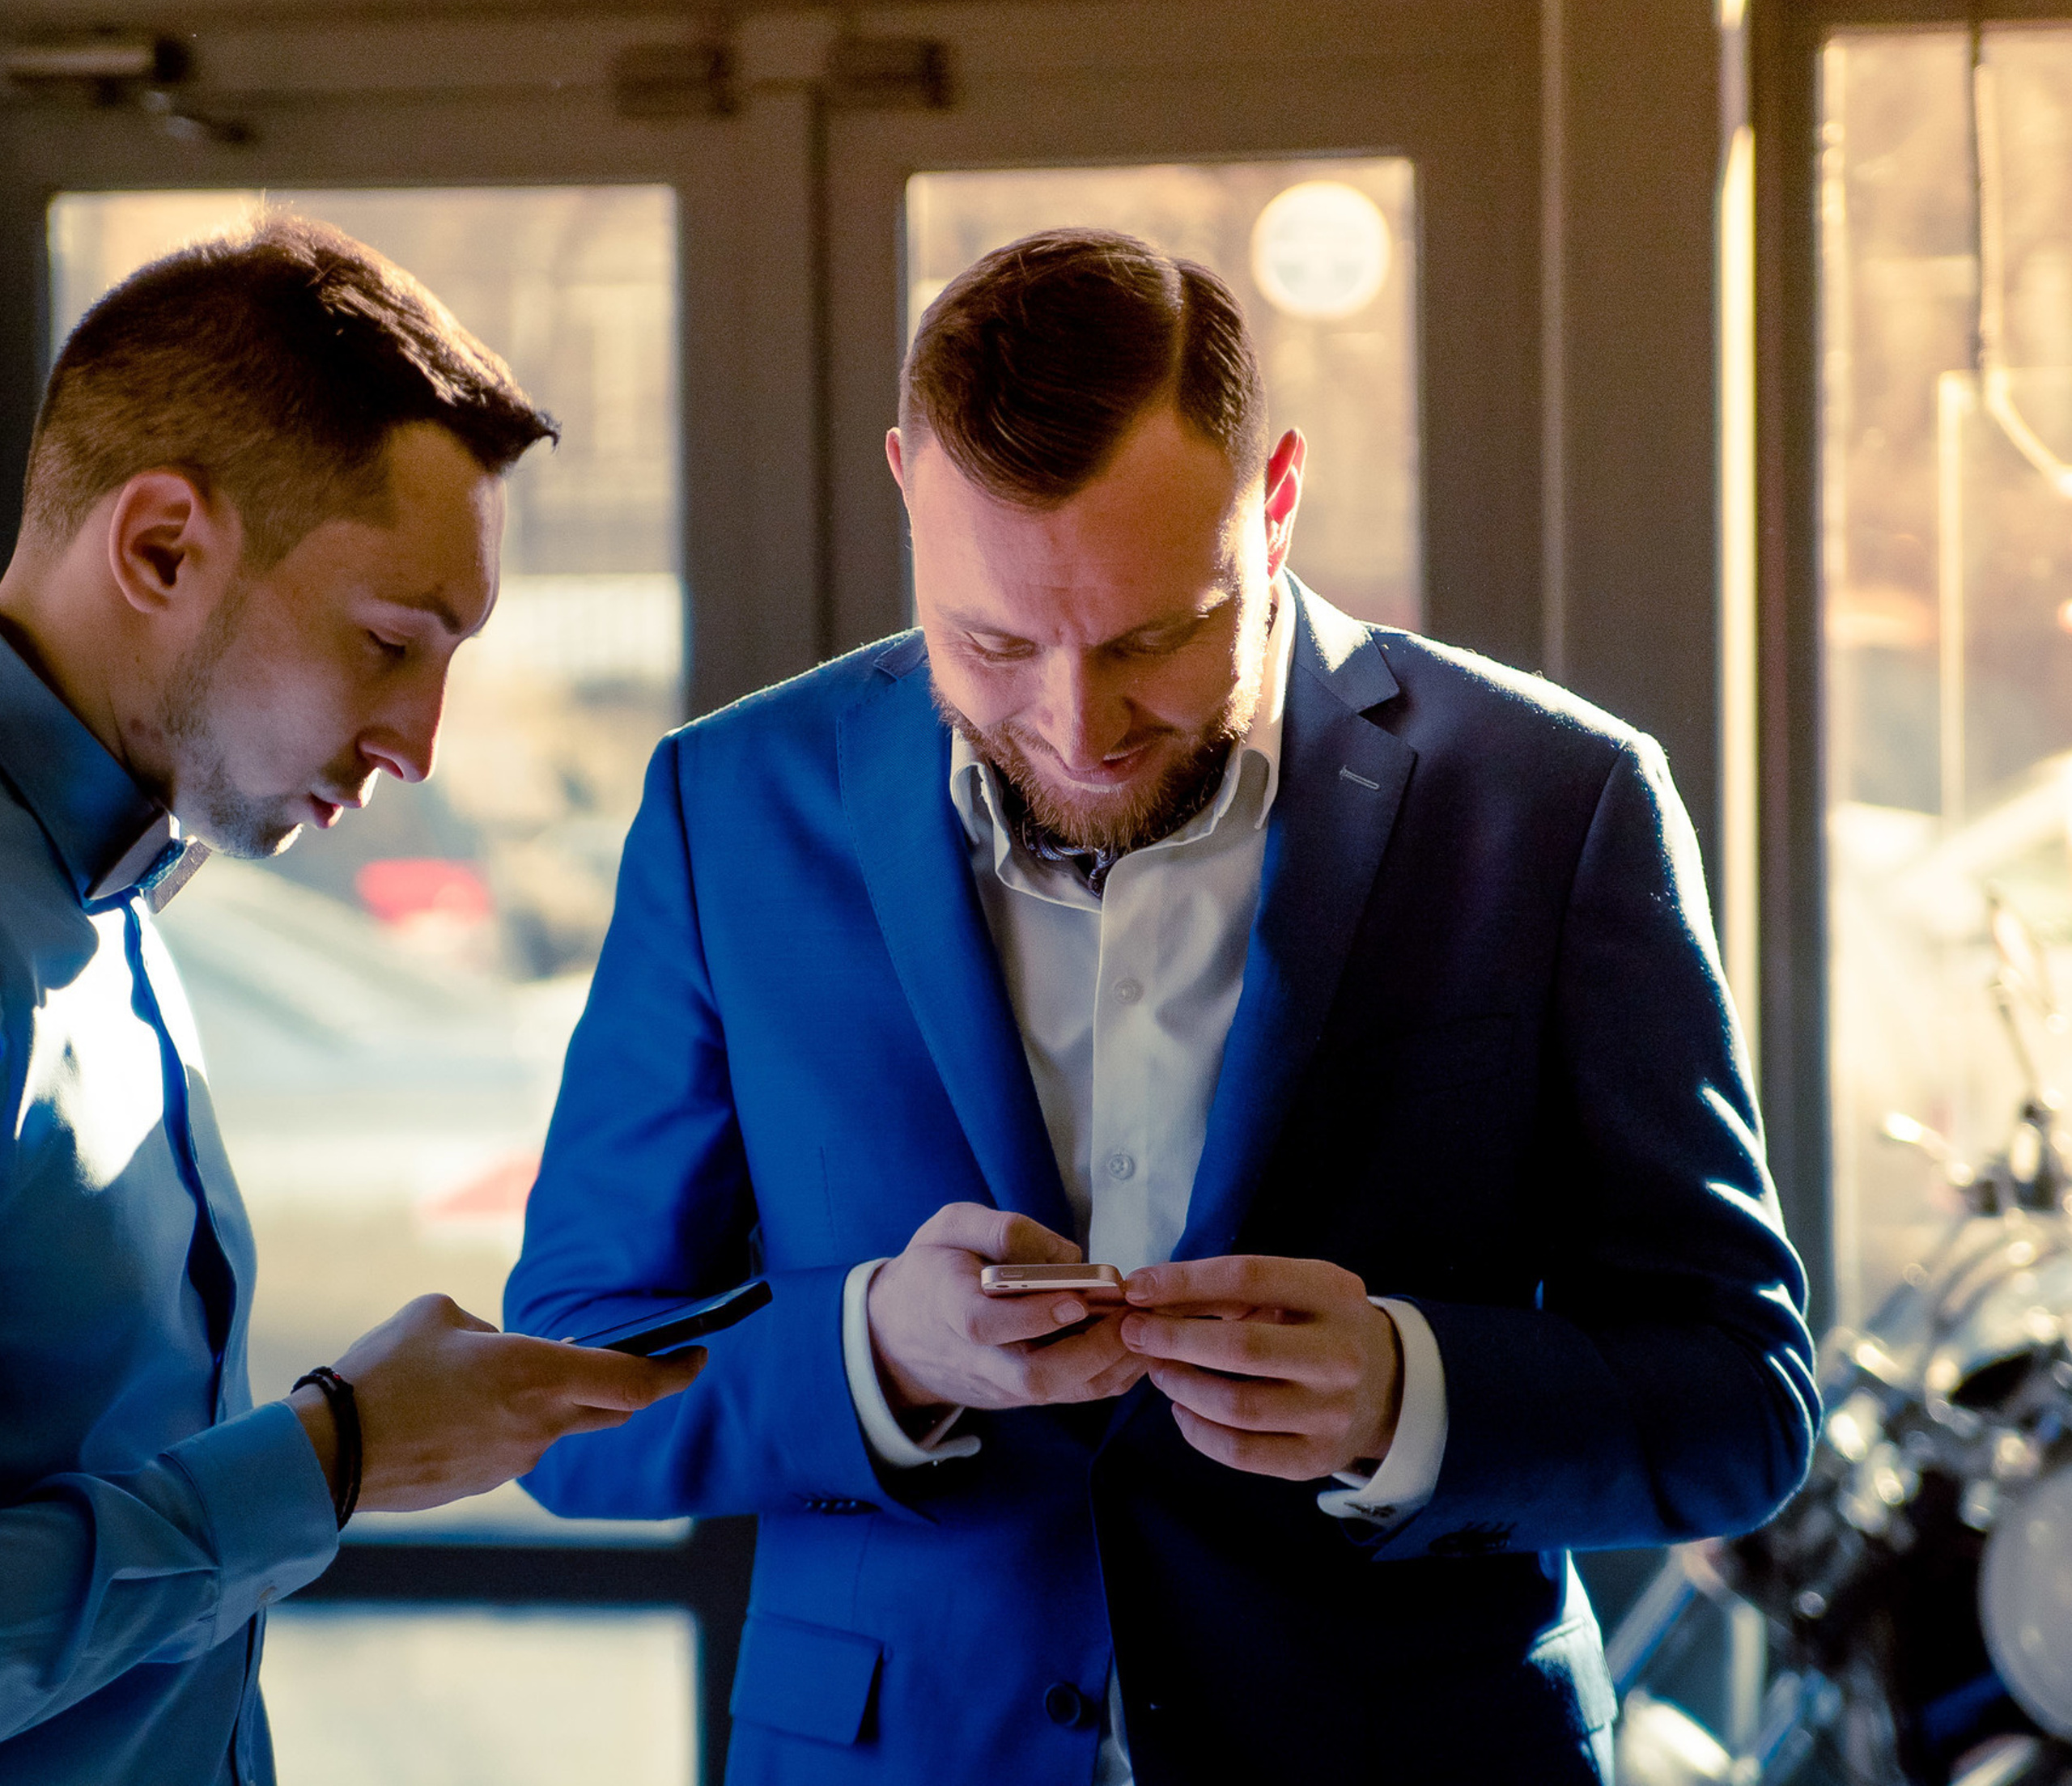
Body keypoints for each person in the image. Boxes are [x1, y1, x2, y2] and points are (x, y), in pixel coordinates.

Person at [507, 228, 1819, 1784]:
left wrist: (1411, 1392)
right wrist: (876, 1355)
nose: (1076, 726)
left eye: (1153, 638)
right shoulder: (728, 806)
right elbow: (570, 1388)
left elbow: (1738, 1400)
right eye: (991, 642)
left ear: (1274, 497)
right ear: (905, 490)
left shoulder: (1557, 802)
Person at [0, 217, 703, 1786]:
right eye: (388, 642)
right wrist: (334, 1456)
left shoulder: (114, 902)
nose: (421, 742)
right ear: (162, 546)